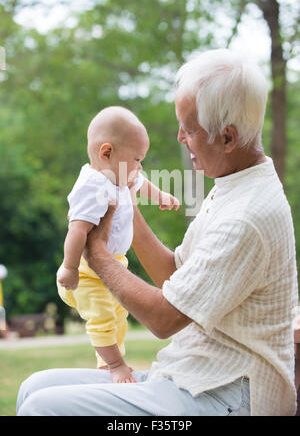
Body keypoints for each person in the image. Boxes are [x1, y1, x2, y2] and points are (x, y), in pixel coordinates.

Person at [17, 49, 298, 416]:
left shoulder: (246, 215)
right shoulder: (233, 185)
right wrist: (118, 197)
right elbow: (175, 275)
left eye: (190, 129)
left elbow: (163, 318)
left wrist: (98, 253)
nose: (180, 137)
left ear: (228, 138)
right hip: (192, 377)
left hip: (229, 394)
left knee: (43, 408)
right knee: (34, 387)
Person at [56, 106, 179, 383]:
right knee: (101, 318)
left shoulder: (120, 177)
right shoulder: (93, 186)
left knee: (119, 315)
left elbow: (142, 182)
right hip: (87, 272)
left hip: (115, 264)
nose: (139, 167)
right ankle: (114, 365)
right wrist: (70, 267)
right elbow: (76, 231)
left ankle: (105, 363)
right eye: (137, 159)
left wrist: (160, 196)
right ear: (107, 153)